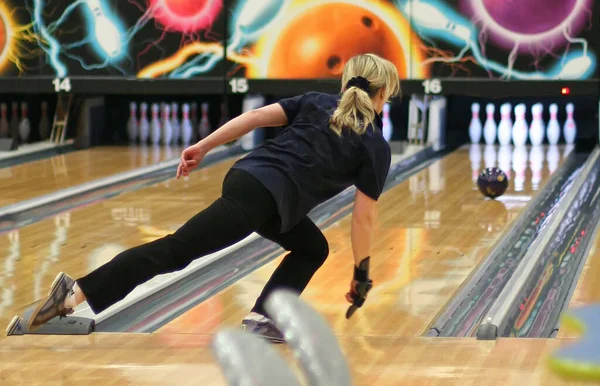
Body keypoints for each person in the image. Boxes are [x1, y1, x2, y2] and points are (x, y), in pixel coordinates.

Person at [25, 53, 401, 343]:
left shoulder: (318, 102)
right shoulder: (374, 146)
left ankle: (265, 316)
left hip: (251, 183)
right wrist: (362, 274)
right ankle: (73, 293)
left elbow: (254, 117)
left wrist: (204, 146)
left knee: (311, 248)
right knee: (174, 252)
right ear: (383, 93)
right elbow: (363, 218)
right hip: (260, 199)